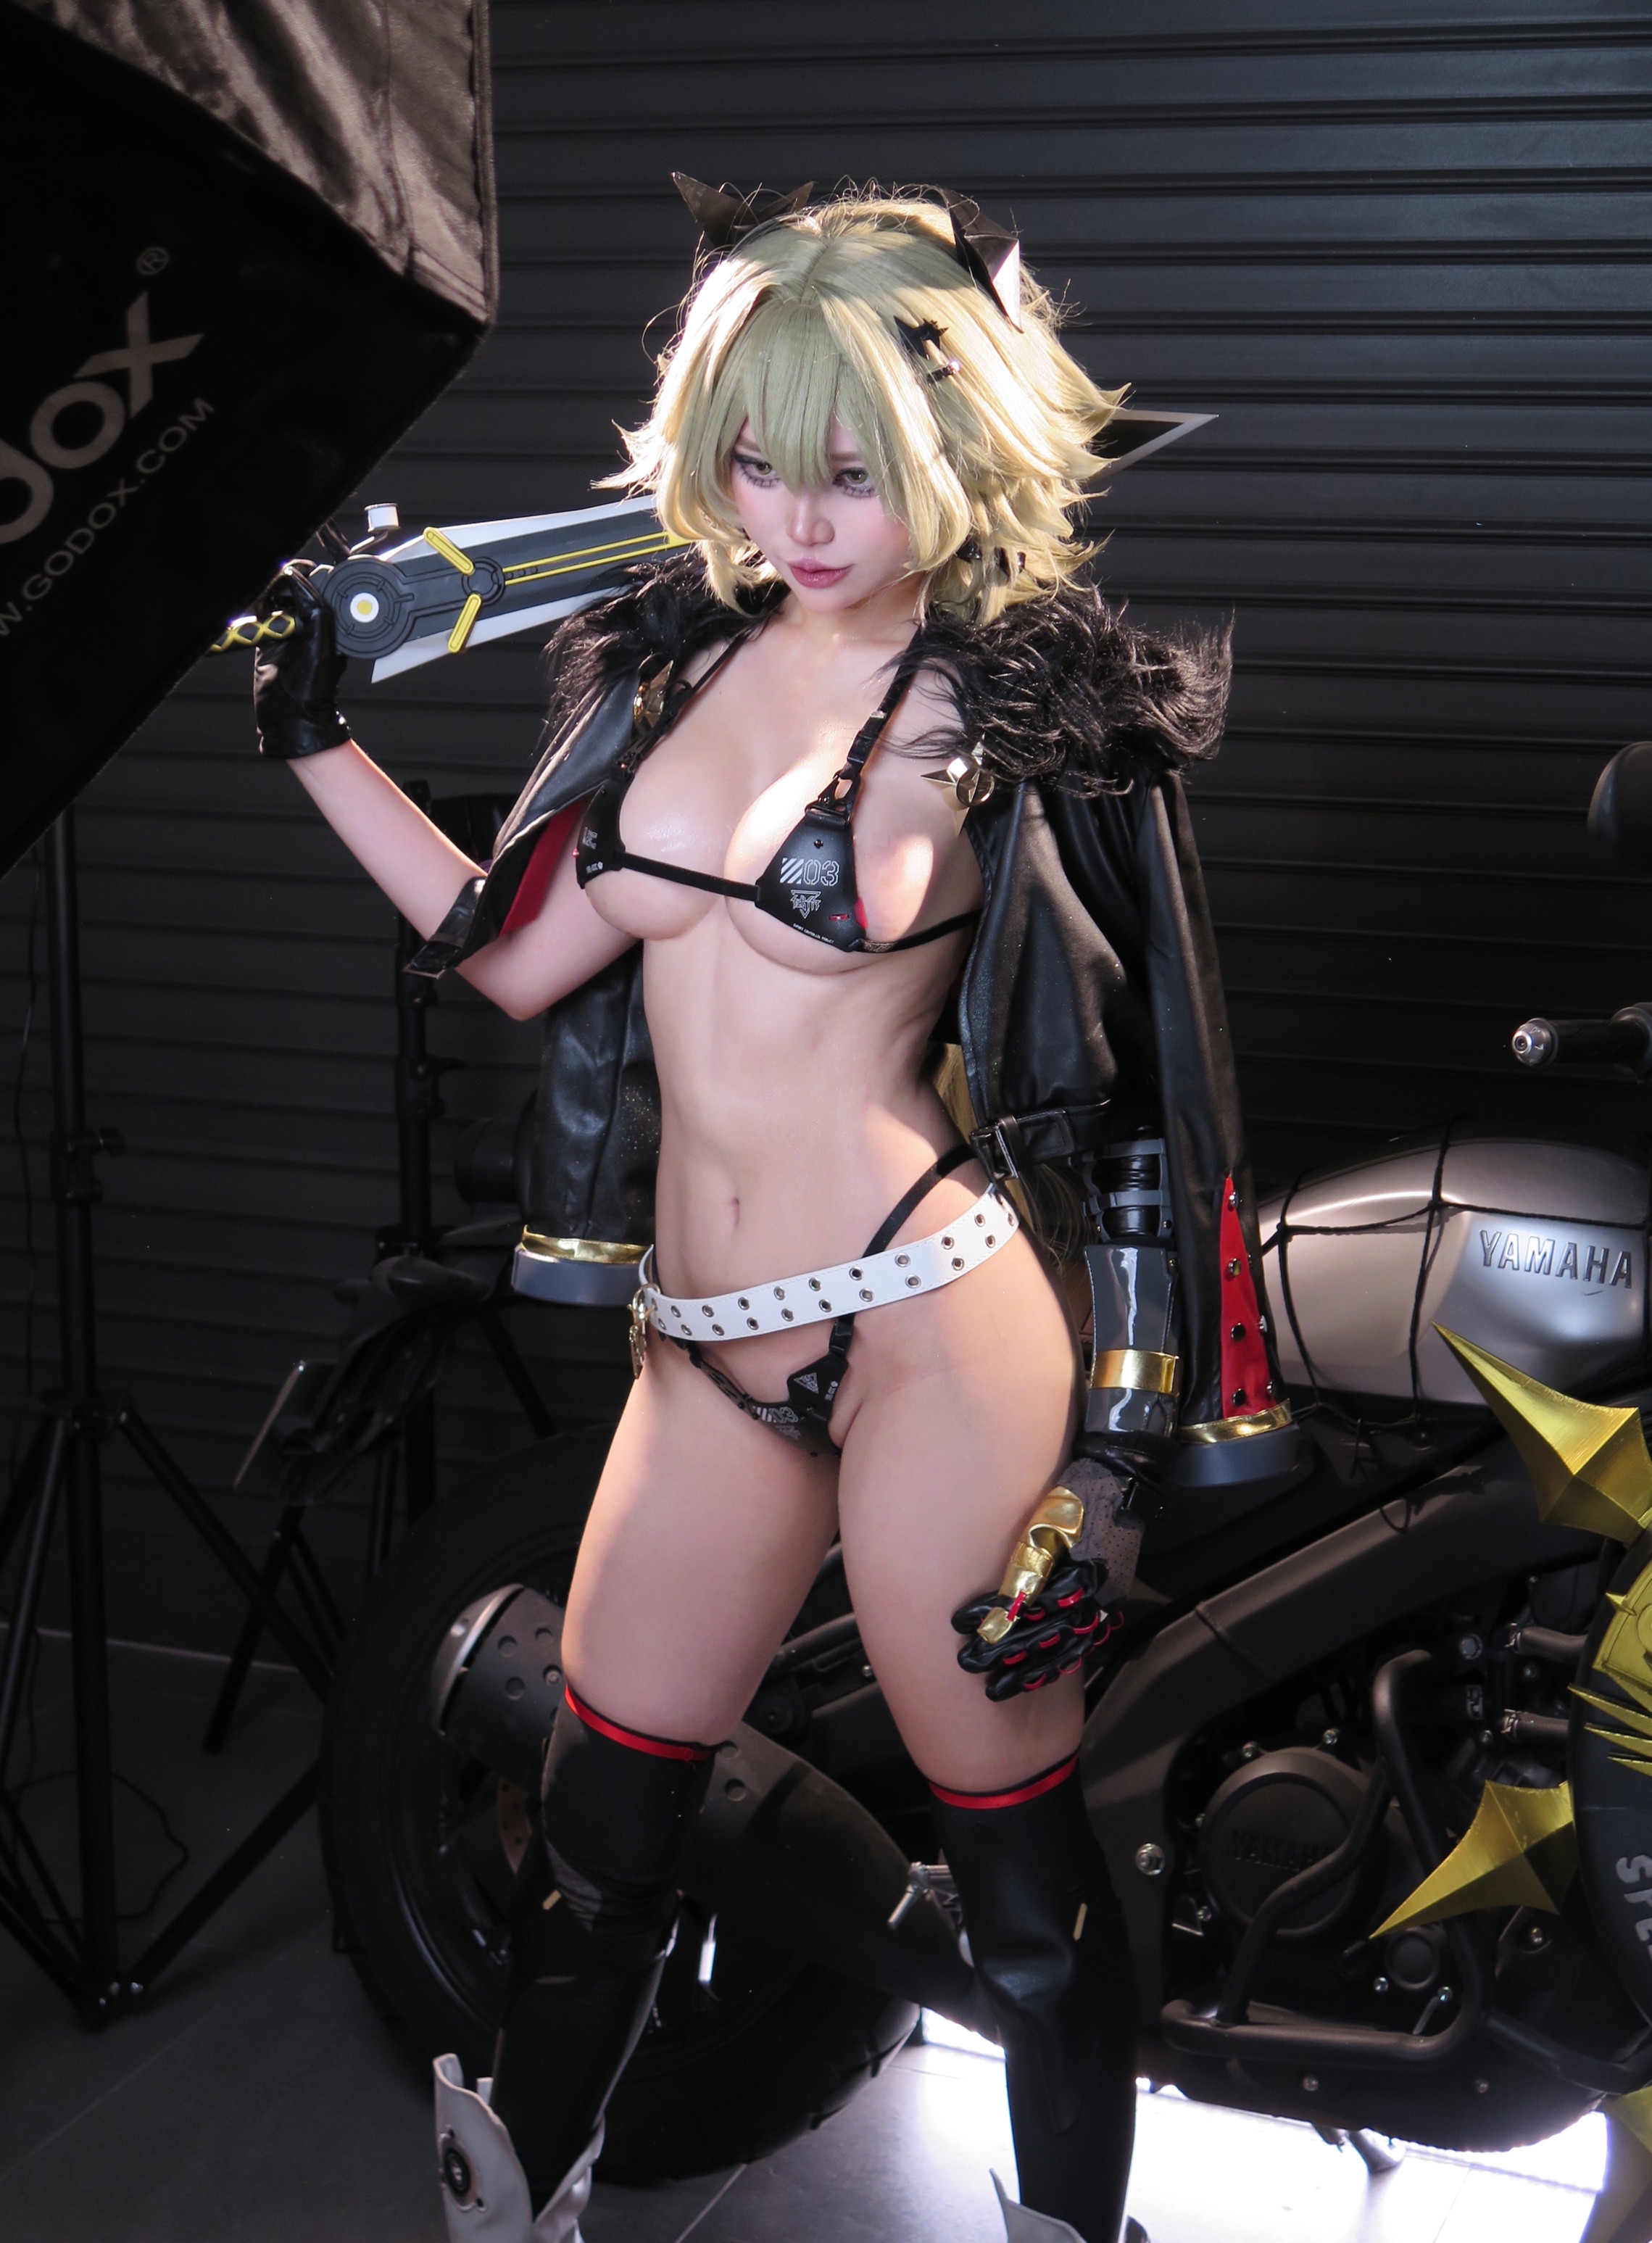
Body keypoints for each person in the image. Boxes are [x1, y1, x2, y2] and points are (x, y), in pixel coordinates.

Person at [254, 181, 1269, 2243]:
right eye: (755, 459)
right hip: (706, 1349)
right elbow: (513, 955)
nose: (798, 518)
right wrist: (312, 733)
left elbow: (1159, 1108)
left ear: (952, 448)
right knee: (598, 1838)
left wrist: (1113, 1463)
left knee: (1022, 1895)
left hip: (932, 1339)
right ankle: (516, 2213)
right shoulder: (667, 669)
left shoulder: (1025, 713)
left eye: (851, 470)